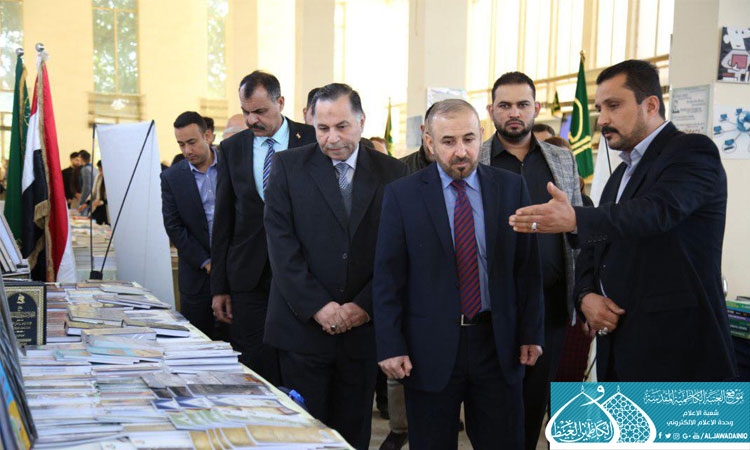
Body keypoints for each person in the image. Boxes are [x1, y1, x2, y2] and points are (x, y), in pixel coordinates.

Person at [509, 59, 738, 382]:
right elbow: (593, 250)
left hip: (680, 352)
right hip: (619, 350)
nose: (602, 119)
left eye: (613, 106)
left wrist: (575, 218)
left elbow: (656, 212)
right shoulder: (620, 175)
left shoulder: (692, 152)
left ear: (651, 105)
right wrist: (586, 296)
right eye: (599, 109)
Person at [374, 99, 543, 450]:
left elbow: (527, 268)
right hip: (428, 349)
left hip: (498, 345)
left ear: (481, 135)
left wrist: (531, 332)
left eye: (469, 139)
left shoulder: (511, 188)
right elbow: (388, 278)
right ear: (429, 142)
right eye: (448, 141)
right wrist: (390, 345)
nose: (461, 151)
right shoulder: (402, 195)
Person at [264, 83, 408, 450]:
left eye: (342, 126)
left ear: (361, 122)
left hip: (361, 333)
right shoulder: (287, 166)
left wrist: (363, 306)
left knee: (352, 433)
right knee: (304, 434)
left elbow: (397, 253)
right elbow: (281, 246)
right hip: (302, 330)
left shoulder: (393, 173)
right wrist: (319, 307)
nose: (332, 138)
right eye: (323, 128)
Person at [480, 71, 582, 450]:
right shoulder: (476, 159)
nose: (514, 113)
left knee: (533, 404)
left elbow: (578, 226)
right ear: (491, 110)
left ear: (536, 108)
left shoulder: (562, 160)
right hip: (491, 308)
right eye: (505, 105)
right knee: (493, 409)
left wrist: (585, 291)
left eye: (522, 104)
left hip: (550, 307)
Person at [211, 71, 316, 384]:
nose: (251, 120)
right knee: (255, 362)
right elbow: (223, 221)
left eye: (259, 111)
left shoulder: (311, 140)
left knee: (299, 363)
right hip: (248, 276)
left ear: (280, 102)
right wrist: (219, 287)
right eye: (245, 112)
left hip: (302, 272)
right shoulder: (232, 149)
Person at [380, 103, 437, 450]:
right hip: (422, 307)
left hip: (558, 310)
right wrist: (586, 293)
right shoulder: (401, 174)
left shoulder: (562, 160)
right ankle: (400, 429)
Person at [161, 112, 219, 338]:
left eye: (192, 142)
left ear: (208, 136)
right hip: (196, 277)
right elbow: (173, 226)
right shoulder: (172, 177)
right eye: (181, 144)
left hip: (237, 272)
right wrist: (205, 261)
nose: (187, 151)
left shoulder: (231, 166)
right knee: (199, 339)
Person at [76, 150, 97, 215]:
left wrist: (83, 201)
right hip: (94, 197)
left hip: (88, 199)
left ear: (81, 159)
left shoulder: (85, 169)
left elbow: (86, 187)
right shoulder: (94, 168)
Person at [91, 160, 109, 225]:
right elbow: (94, 191)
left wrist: (101, 202)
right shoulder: (99, 176)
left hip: (107, 207)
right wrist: (87, 202)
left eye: (102, 170)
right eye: (99, 170)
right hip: (99, 207)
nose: (101, 172)